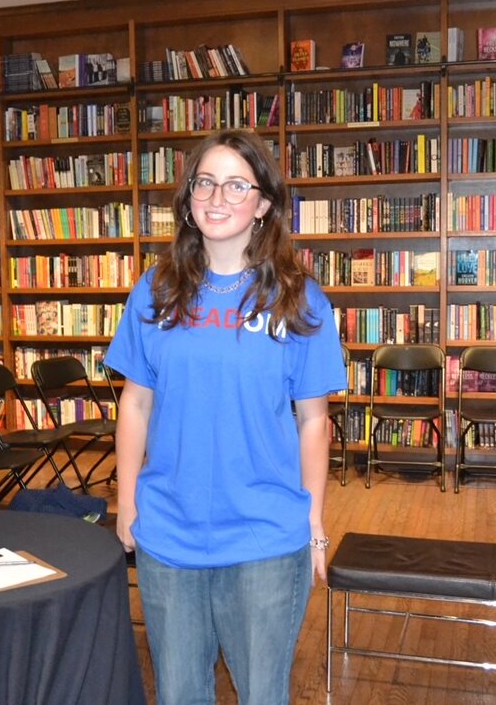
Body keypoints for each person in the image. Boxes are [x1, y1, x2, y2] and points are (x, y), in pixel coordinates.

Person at [104, 129, 345, 705]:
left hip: (264, 537)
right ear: (188, 199)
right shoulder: (155, 291)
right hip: (169, 534)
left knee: (262, 694)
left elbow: (314, 421)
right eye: (205, 182)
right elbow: (135, 403)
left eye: (237, 184)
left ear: (262, 204)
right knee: (180, 694)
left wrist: (313, 524)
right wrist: (127, 500)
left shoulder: (299, 298)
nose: (217, 197)